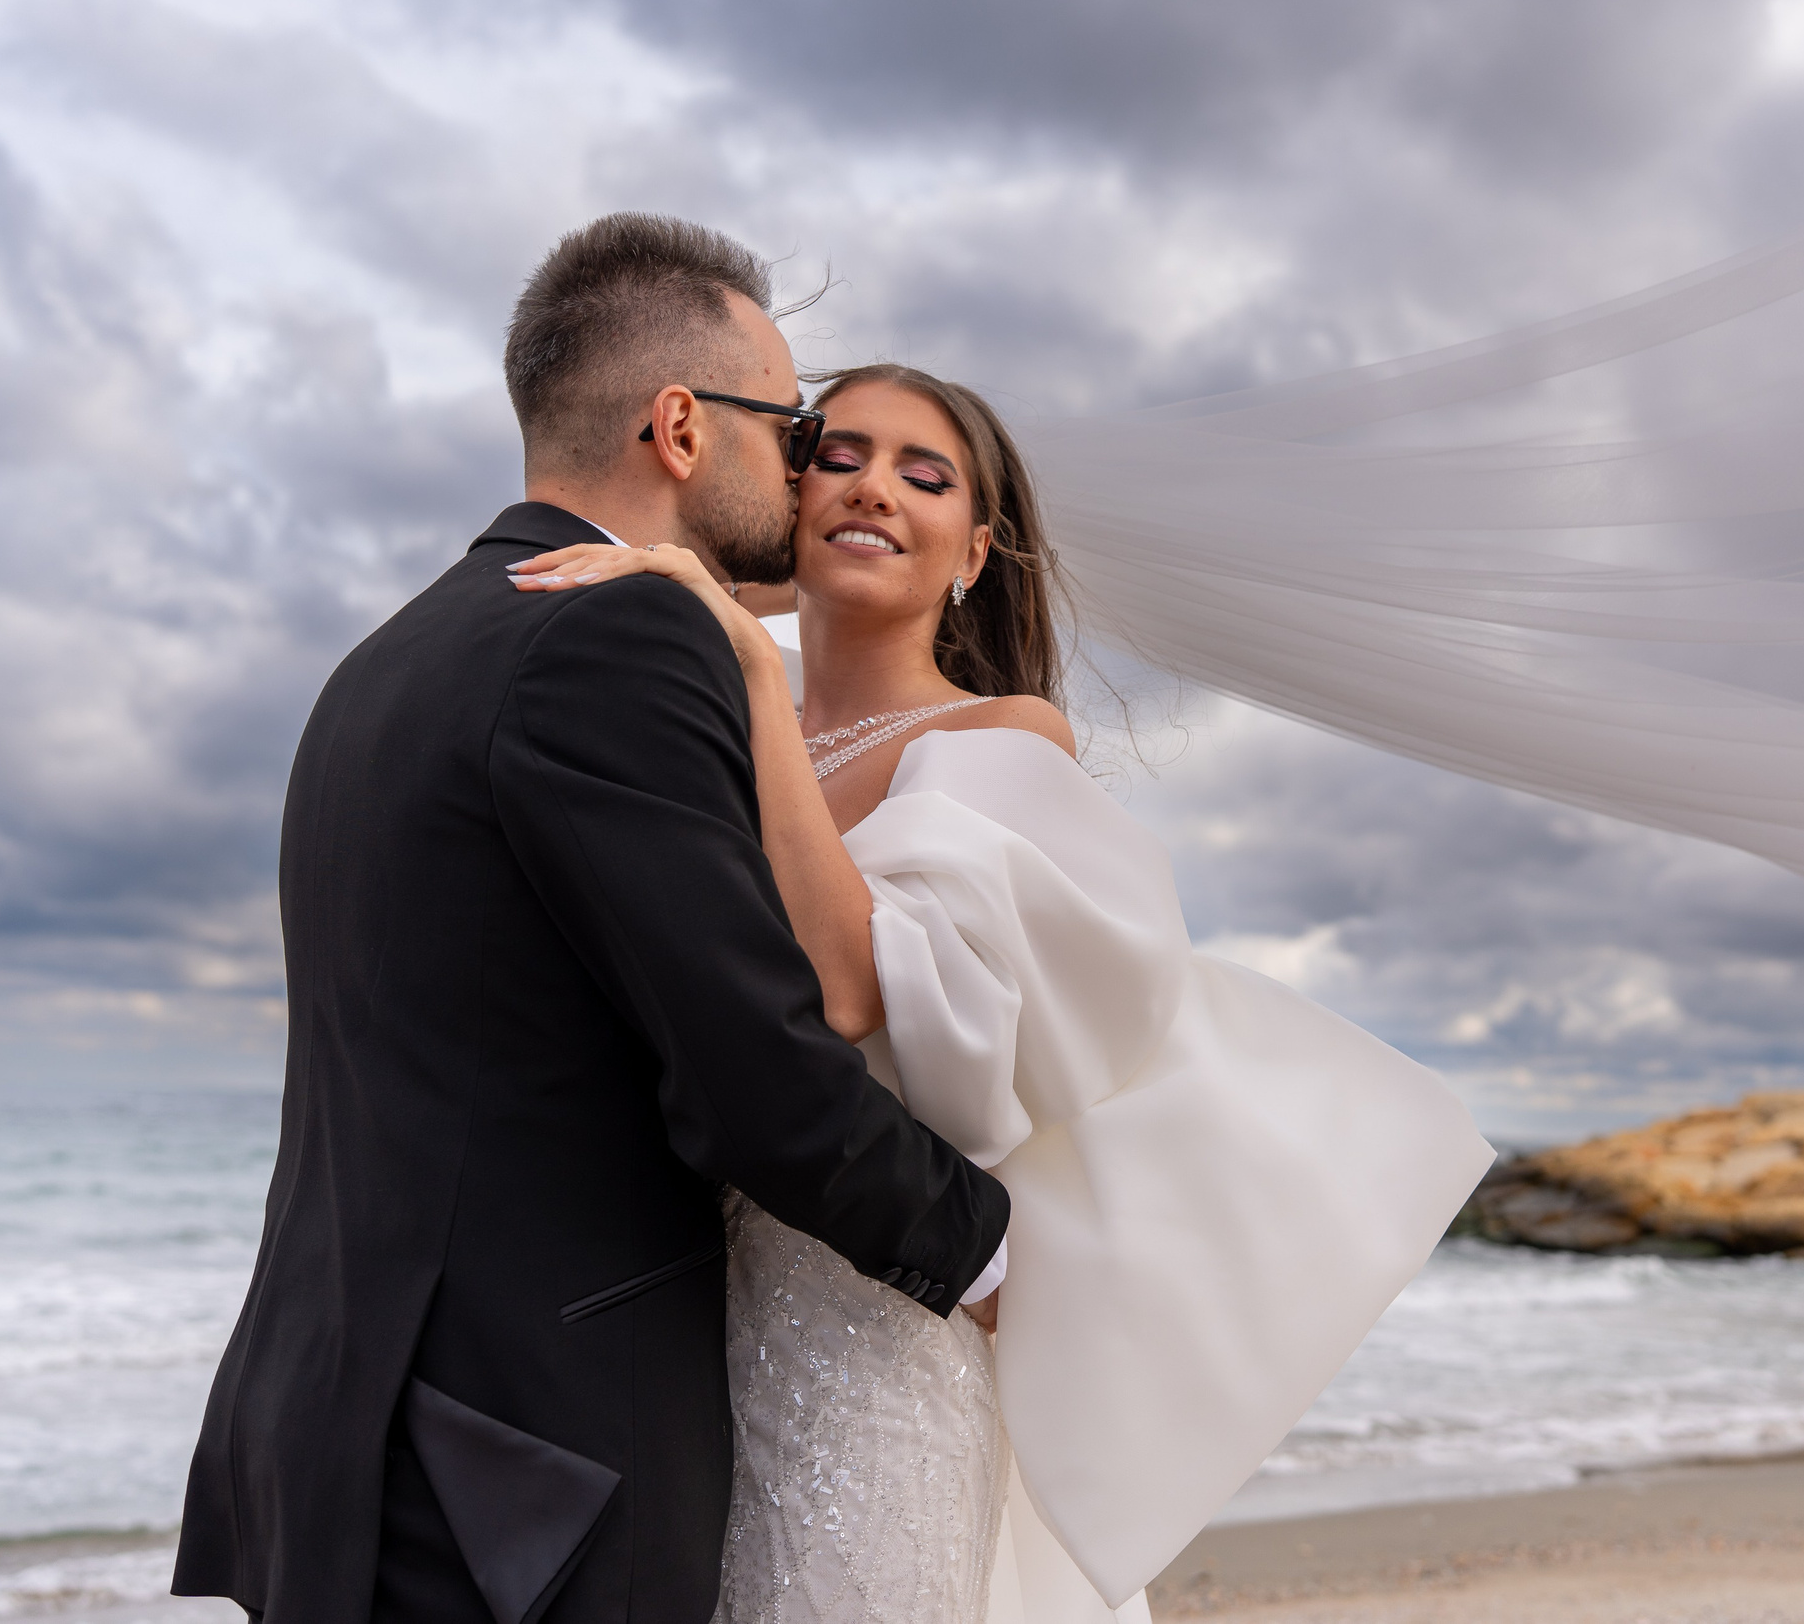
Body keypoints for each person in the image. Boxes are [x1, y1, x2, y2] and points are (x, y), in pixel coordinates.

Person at [509, 362, 1494, 1620]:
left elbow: (848, 986)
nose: (874, 489)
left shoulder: (1001, 742)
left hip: (868, 1334)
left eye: (925, 477)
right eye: (842, 454)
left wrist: (753, 671)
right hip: (681, 1332)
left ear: (972, 552)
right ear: (789, 493)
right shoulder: (694, 721)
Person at [171, 216, 1013, 1624]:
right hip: (516, 1475)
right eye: (794, 426)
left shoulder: (383, 660)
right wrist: (993, 1251)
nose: (808, 468)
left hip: (331, 1425)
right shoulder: (619, 635)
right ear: (683, 426)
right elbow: (754, 1072)